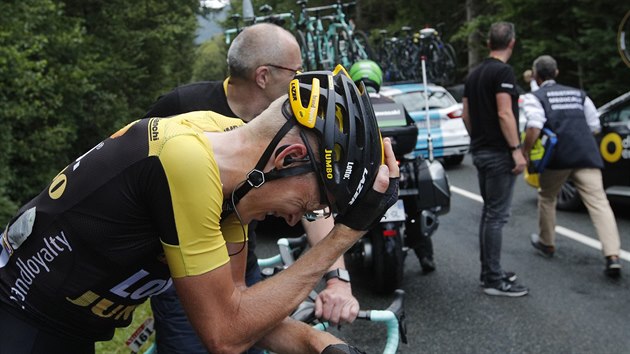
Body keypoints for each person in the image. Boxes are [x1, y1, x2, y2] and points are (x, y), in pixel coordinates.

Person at [0, 67, 399, 354]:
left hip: (65, 326)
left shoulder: (225, 152)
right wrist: (346, 232)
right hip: (21, 318)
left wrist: (320, 344)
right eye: (307, 205)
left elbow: (239, 306)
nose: (294, 219)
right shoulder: (189, 163)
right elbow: (225, 336)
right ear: (288, 157)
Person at [145, 23, 360, 354]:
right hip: (184, 275)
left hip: (241, 263)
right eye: (296, 70)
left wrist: (337, 278)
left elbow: (309, 199)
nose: (302, 79)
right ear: (264, 76)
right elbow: (135, 176)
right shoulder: (181, 106)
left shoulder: (295, 121)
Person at [521, 55, 622, 278]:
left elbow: (534, 126)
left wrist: (525, 152)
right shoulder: (579, 94)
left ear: (536, 76)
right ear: (556, 73)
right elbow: (594, 125)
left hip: (557, 157)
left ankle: (547, 243)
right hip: (586, 154)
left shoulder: (535, 97)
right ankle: (612, 255)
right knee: (599, 203)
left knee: (547, 197)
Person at [349, 59, 436, 274]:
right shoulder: (391, 102)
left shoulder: (352, 104)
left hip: (367, 167)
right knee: (416, 207)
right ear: (377, 78)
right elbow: (411, 128)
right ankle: (425, 255)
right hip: (396, 163)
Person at [462, 21, 529, 297]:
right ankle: (493, 278)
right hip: (499, 153)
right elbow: (505, 112)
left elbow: (466, 115)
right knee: (496, 216)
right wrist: (516, 148)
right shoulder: (503, 72)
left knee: (490, 213)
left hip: (480, 151)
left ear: (489, 43)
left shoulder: (474, 74)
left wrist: (477, 139)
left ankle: (490, 272)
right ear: (511, 43)